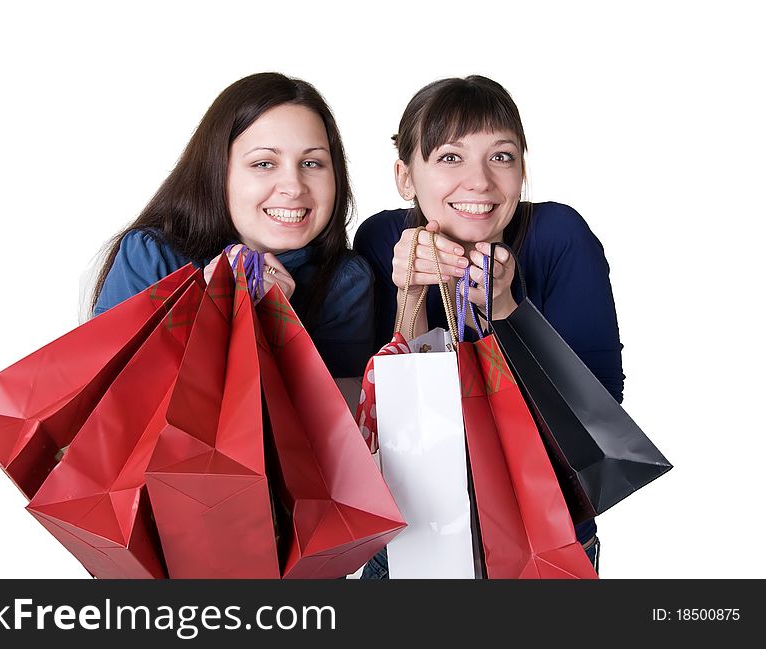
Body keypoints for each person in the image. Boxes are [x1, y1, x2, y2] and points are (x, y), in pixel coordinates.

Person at [353, 75, 624, 577]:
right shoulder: (382, 237)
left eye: (501, 156)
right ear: (405, 176)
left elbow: (600, 414)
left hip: (540, 533)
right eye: (450, 157)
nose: (479, 181)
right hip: (414, 536)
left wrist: (504, 306)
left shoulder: (559, 235)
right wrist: (410, 295)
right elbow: (376, 421)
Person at [90, 72, 374, 379]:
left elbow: (340, 420)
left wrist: (276, 327)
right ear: (217, 171)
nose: (294, 187)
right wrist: (209, 317)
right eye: (264, 163)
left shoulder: (345, 281)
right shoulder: (151, 259)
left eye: (311, 163)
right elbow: (109, 402)